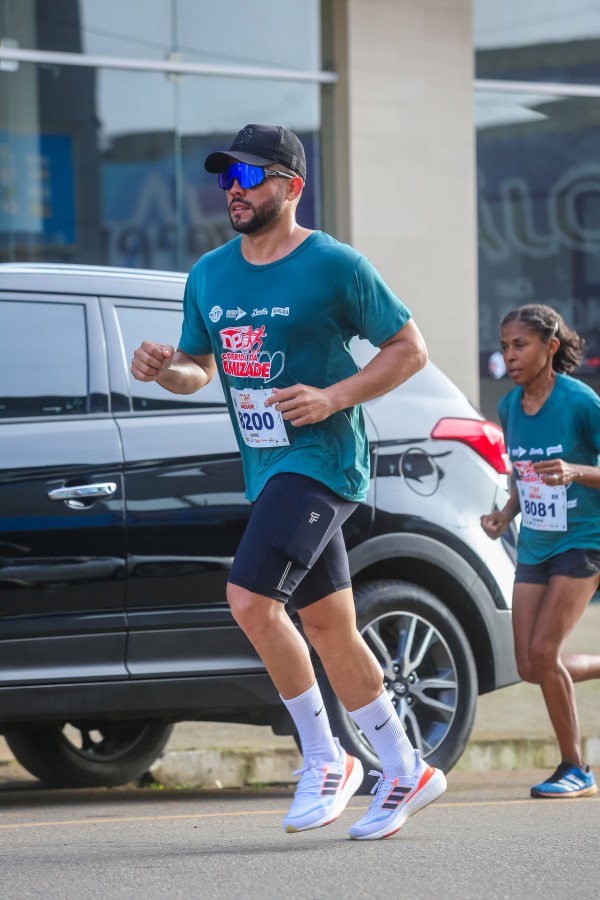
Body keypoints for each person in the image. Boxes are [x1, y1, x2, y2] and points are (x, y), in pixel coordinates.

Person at [131, 123, 446, 840]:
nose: (232, 191)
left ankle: (326, 758)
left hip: (323, 460)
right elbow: (198, 369)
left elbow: (410, 349)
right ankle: (407, 768)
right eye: (226, 178)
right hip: (267, 463)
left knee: (250, 600)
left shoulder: (335, 265)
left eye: (248, 177)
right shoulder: (210, 273)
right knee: (330, 626)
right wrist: (163, 369)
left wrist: (333, 397)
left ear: (292, 186)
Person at [481, 303, 600, 799]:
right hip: (535, 542)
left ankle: (576, 767)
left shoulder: (580, 402)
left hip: (583, 540)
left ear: (550, 347)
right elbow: (522, 475)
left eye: (520, 345)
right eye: (505, 346)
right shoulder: (509, 407)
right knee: (530, 665)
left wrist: (575, 471)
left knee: (545, 653)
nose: (509, 355)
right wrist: (506, 513)